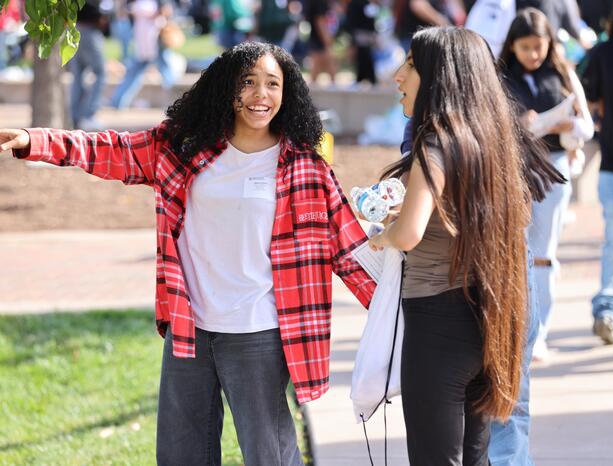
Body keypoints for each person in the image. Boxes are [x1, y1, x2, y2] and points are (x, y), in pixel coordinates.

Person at [0, 42, 376, 466]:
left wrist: (404, 313)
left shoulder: (305, 166)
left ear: (287, 93)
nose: (260, 95)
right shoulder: (185, 146)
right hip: (189, 326)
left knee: (270, 455)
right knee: (182, 455)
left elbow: (350, 249)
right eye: (247, 83)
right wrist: (36, 141)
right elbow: (114, 150)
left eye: (273, 84)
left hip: (258, 332)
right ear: (226, 89)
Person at [366, 26, 534, 465]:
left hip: (436, 322)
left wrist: (382, 236)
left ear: (438, 76)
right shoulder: (491, 144)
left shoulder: (434, 143)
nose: (398, 77)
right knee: (475, 456)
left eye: (410, 65)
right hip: (489, 319)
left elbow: (408, 234)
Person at [500, 7, 594, 361]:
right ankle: (514, 329)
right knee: (513, 252)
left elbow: (585, 125)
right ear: (513, 46)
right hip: (513, 170)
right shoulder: (500, 76)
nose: (533, 55)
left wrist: (563, 126)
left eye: (538, 47)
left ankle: (538, 333)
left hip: (553, 168)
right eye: (525, 48)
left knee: (543, 255)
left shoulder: (563, 74)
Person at [581, 0, 613, 344]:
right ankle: (609, 309)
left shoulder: (604, 53)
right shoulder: (604, 53)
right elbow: (587, 99)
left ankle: (609, 307)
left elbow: (592, 102)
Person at [109, 0, 177, 109]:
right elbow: (124, 12)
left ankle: (176, 102)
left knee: (166, 73)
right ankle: (117, 102)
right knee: (133, 72)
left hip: (156, 40)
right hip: (143, 43)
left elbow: (166, 10)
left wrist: (159, 13)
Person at [69, 0, 108, 131]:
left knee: (78, 76)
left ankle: (75, 116)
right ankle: (88, 115)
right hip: (88, 29)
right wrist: (100, 16)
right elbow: (90, 7)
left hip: (75, 29)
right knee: (100, 73)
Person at [304, 0, 338, 84]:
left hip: (316, 36)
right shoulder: (320, 2)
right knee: (329, 62)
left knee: (322, 65)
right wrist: (327, 39)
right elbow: (320, 21)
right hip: (319, 38)